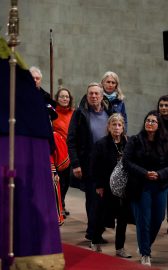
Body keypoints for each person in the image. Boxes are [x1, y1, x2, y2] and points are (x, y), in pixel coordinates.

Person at [67, 82, 112, 242]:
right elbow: (71, 140)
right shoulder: (80, 114)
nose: (93, 96)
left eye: (96, 94)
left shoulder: (109, 112)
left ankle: (95, 229)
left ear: (102, 96)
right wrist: (76, 164)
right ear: (87, 95)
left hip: (107, 165)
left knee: (104, 200)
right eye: (90, 93)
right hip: (89, 164)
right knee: (93, 200)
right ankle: (93, 233)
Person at [123, 110, 168, 266]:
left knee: (158, 218)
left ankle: (144, 245)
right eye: (148, 120)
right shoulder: (135, 140)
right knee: (144, 220)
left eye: (153, 121)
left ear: (159, 125)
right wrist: (145, 173)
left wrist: (160, 174)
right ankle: (145, 254)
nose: (150, 123)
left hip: (161, 185)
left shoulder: (165, 142)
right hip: (141, 186)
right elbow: (126, 162)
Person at [90, 113, 131, 259]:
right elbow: (95, 167)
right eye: (114, 124)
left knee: (122, 219)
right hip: (105, 187)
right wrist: (99, 185)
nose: (117, 127)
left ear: (123, 127)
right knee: (101, 216)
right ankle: (95, 241)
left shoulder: (128, 143)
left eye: (119, 125)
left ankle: (120, 247)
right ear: (108, 126)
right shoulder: (101, 144)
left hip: (123, 189)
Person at [52, 87, 74, 217]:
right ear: (57, 98)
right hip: (58, 152)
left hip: (70, 151)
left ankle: (62, 202)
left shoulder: (74, 113)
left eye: (67, 97)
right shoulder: (53, 113)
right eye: (62, 96)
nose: (64, 99)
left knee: (67, 180)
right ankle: (58, 205)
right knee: (60, 180)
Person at [157, 95, 168, 232]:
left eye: (166, 105)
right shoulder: (155, 120)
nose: (164, 108)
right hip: (160, 165)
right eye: (161, 105)